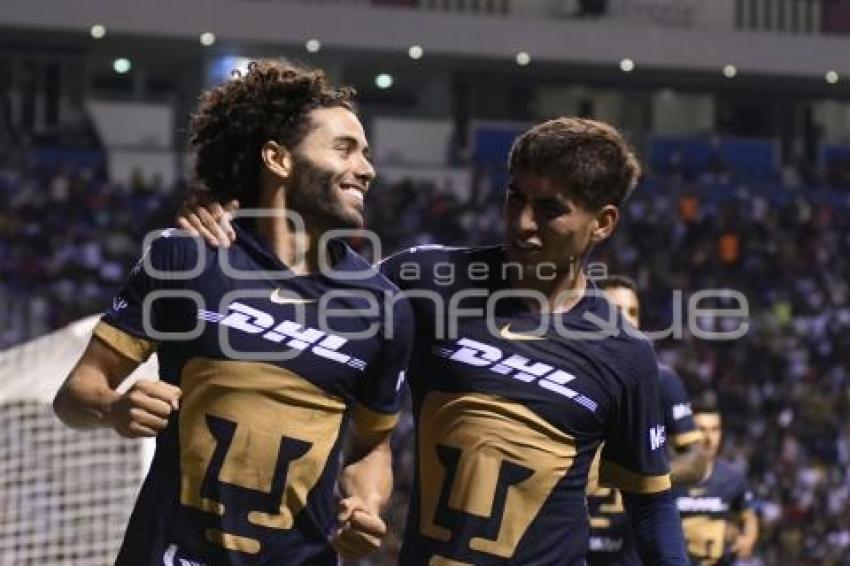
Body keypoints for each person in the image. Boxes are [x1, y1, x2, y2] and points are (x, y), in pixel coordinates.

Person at [182, 117, 689, 564]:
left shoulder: (626, 355)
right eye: (515, 198)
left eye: (550, 209)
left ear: (601, 223)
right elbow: (309, 291)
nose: (522, 223)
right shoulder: (427, 279)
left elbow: (651, 507)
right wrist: (232, 212)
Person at [53, 60, 414, 565]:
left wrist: (366, 503)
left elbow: (371, 446)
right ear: (278, 159)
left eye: (367, 154)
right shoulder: (187, 257)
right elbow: (75, 393)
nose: (367, 169)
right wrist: (113, 407)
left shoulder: (383, 306)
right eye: (345, 148)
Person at [587, 274, 706, 565]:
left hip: (632, 549)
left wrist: (644, 471)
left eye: (633, 312)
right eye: (617, 311)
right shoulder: (565, 374)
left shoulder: (662, 381)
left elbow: (697, 459)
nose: (627, 320)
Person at [673, 397, 759, 564]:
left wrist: (747, 539)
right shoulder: (669, 477)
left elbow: (749, 518)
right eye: (702, 429)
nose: (709, 438)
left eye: (715, 430)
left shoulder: (733, 478)